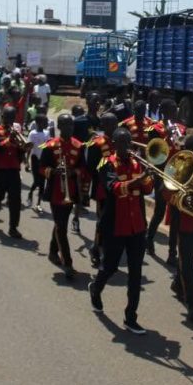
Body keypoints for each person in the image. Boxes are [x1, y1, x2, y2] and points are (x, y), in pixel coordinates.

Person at [88, 129, 154, 335]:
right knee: (110, 267)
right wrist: (141, 178)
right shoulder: (106, 164)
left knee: (136, 273)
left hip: (137, 226)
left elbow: (147, 190)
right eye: (123, 143)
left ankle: (130, 317)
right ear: (115, 144)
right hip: (116, 225)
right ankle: (95, 288)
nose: (128, 147)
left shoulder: (137, 163)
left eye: (129, 143)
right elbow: (115, 188)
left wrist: (149, 177)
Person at [166, 135, 193, 323]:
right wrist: (181, 194)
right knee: (188, 263)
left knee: (187, 259)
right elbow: (165, 192)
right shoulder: (178, 167)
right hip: (182, 222)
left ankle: (177, 283)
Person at [42, 113, 85, 280]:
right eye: (66, 125)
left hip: (71, 192)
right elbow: (41, 168)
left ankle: (53, 252)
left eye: (71, 125)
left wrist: (74, 172)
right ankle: (67, 263)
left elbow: (83, 169)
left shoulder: (79, 146)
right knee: (61, 227)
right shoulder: (50, 146)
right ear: (59, 127)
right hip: (55, 192)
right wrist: (53, 171)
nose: (69, 128)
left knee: (60, 223)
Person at [146, 98, 185, 264]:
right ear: (164, 112)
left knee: (176, 216)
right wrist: (166, 136)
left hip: (176, 175)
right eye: (173, 110)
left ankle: (171, 253)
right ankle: (148, 240)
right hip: (161, 174)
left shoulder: (181, 128)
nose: (176, 112)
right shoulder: (154, 130)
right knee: (160, 212)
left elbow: (182, 150)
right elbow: (154, 155)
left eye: (175, 109)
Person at [83, 112, 117, 268]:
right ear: (104, 125)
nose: (114, 127)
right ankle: (95, 248)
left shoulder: (119, 141)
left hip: (116, 188)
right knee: (102, 221)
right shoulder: (97, 143)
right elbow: (90, 166)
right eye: (110, 124)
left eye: (115, 123)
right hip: (102, 188)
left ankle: (106, 249)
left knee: (112, 222)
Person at [0, 105, 25, 238]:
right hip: (0, 169)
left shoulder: (17, 129)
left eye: (12, 117)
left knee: (15, 199)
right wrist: (9, 140)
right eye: (8, 117)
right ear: (2, 116)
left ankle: (13, 227)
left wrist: (22, 147)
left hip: (14, 168)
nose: (10, 120)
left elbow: (21, 148)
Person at [26, 114, 51, 212]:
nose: (46, 124)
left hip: (44, 160)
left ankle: (38, 203)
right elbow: (29, 147)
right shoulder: (33, 133)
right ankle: (31, 192)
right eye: (44, 122)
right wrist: (27, 161)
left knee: (42, 183)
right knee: (37, 181)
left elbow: (48, 147)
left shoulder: (47, 133)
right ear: (38, 123)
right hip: (35, 159)